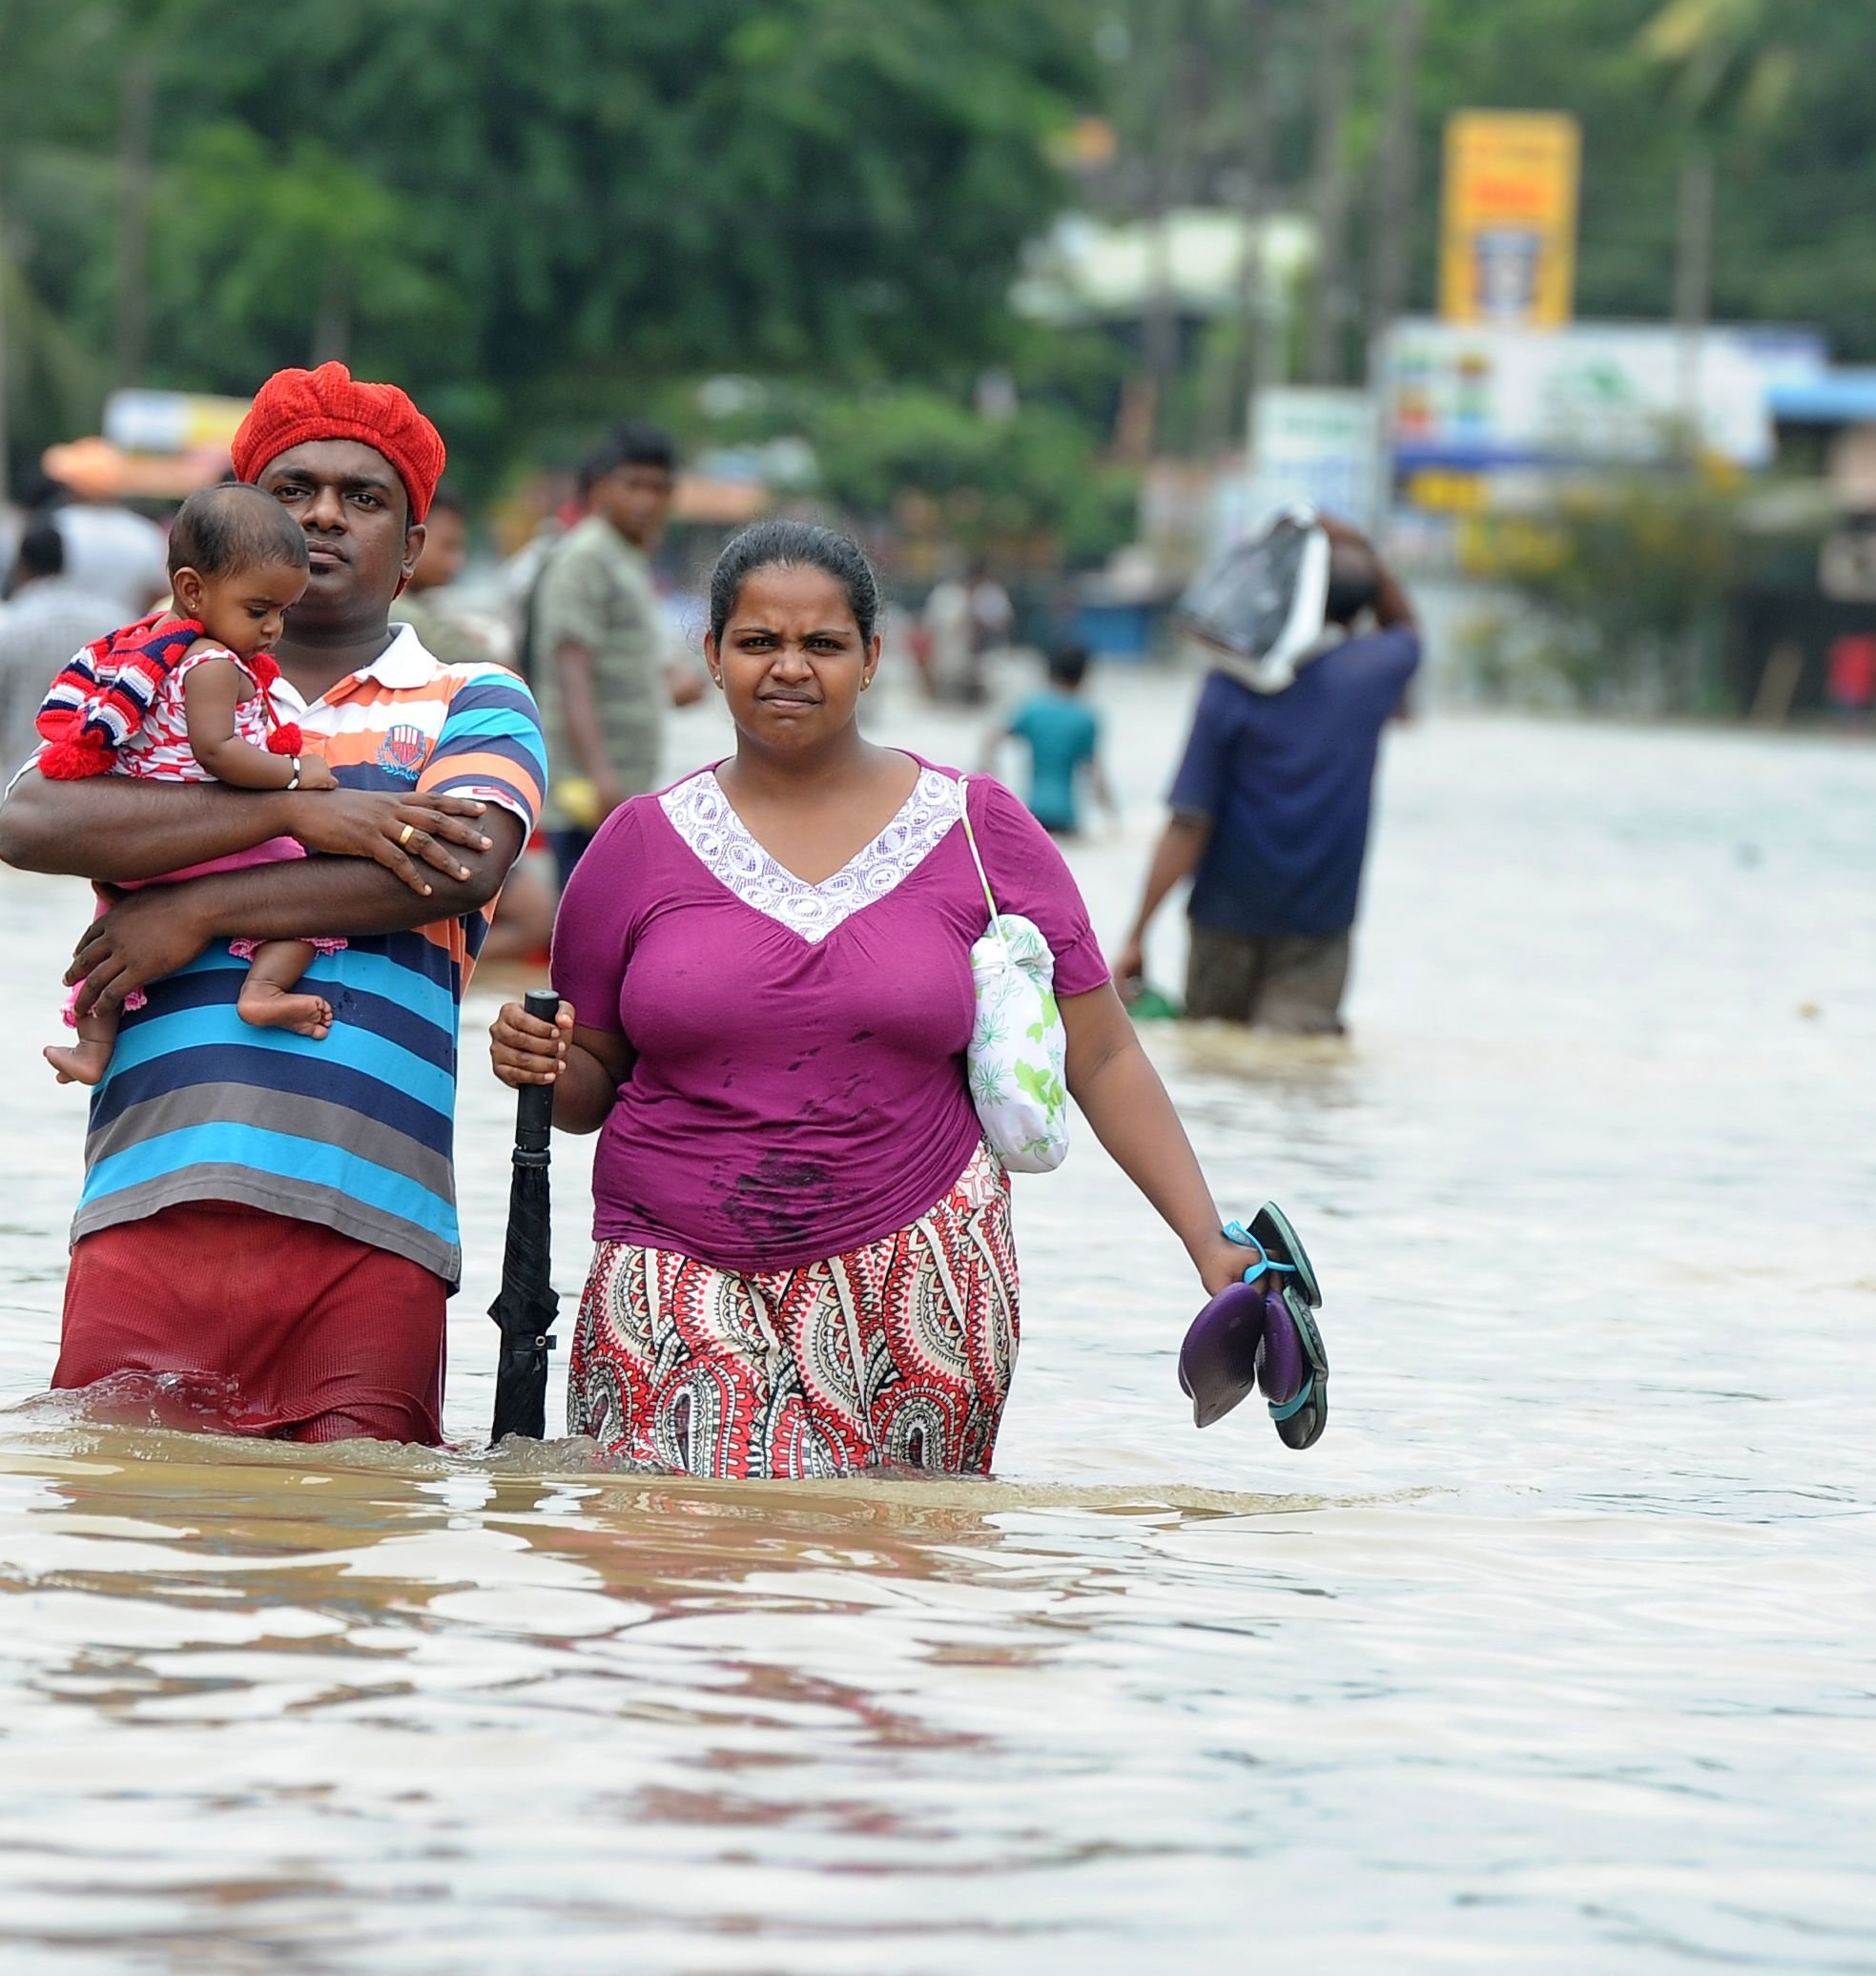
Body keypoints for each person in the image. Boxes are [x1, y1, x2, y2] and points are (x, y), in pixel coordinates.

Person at [487, 523, 1261, 1479]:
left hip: (923, 1267)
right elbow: (588, 1086)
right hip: (672, 1264)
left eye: (823, 644)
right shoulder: (637, 846)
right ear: (712, 657)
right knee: (673, 1577)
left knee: (899, 1586)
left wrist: (1207, 1242)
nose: (790, 669)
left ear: (873, 659)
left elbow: (1102, 1054)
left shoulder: (980, 831)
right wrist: (542, 1059)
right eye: (759, 642)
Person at [0, 360, 547, 1447]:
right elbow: (31, 822)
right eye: (292, 491)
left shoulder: (474, 698)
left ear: (414, 549)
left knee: (352, 1563)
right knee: (120, 1560)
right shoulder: (146, 680)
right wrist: (309, 819)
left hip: (372, 1223)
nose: (326, 515)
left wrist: (194, 913)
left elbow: (463, 865)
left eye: (364, 496)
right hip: (151, 1194)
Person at [34, 485, 346, 1084]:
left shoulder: (144, 655)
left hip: (144, 850)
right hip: (206, 842)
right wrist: (294, 775)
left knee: (106, 938)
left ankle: (93, 1046)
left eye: (283, 612)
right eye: (259, 611)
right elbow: (220, 752)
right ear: (193, 590)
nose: (274, 629)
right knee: (302, 887)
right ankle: (263, 989)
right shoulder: (211, 664)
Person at [1116, 520, 1420, 1034]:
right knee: (1296, 1077)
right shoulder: (1370, 675)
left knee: (1215, 1069)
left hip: (1222, 921)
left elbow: (1189, 823)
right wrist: (1353, 540)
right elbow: (1407, 627)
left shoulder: (1227, 687)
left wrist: (1136, 934)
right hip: (1320, 929)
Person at [528, 422, 700, 883]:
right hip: (587, 790)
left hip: (621, 780)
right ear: (602, 488)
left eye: (659, 488)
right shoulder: (585, 556)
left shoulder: (625, 556)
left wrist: (668, 679)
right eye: (634, 485)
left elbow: (617, 656)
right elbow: (571, 669)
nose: (647, 501)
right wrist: (600, 774)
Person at [0, 516, 132, 828]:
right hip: (104, 801)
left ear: (21, 566)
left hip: (23, 798)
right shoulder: (115, 622)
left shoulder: (6, 626)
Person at [983, 643, 1117, 838]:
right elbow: (1095, 774)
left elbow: (991, 740)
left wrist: (993, 783)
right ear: (1084, 676)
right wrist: (1112, 818)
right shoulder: (1086, 718)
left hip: (1032, 814)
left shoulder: (1033, 708)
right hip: (1066, 818)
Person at [392, 497, 505, 666]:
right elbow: (495, 666)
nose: (457, 562)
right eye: (448, 546)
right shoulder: (398, 616)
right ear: (412, 542)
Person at [37, 475, 172, 614]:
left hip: (57, 628)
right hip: (128, 629)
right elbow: (157, 595)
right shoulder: (146, 533)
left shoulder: (55, 525)